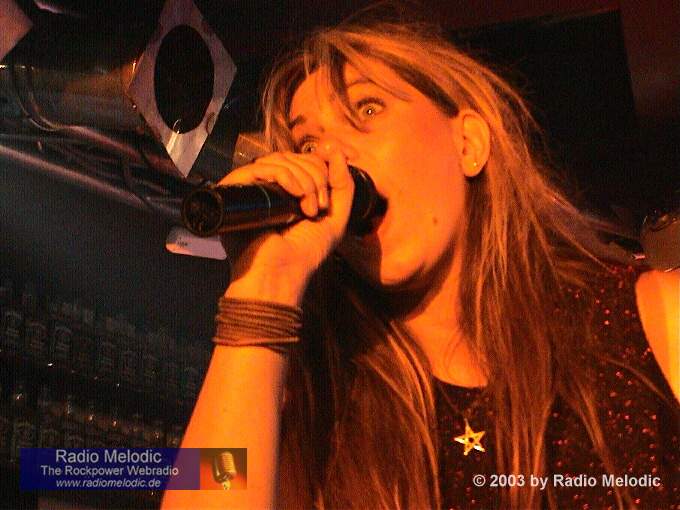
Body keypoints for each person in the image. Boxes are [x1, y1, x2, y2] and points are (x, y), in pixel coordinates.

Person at [162, 19, 679, 510]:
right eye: (308, 144)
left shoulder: (651, 317)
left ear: (468, 143)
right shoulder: (310, 403)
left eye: (367, 109)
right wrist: (261, 288)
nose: (331, 160)